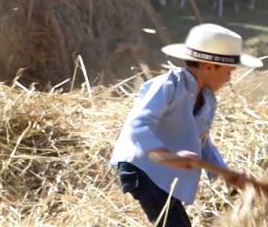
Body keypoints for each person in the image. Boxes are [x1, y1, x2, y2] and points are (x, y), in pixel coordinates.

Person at [110, 23, 263, 226]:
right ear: (208, 67)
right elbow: (139, 124)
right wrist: (166, 155)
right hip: (143, 169)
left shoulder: (207, 101)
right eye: (228, 72)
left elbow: (203, 145)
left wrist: (226, 175)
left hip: (164, 178)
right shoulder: (168, 85)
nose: (229, 79)